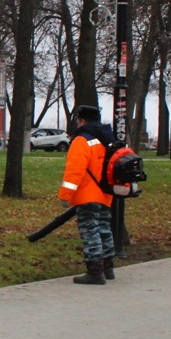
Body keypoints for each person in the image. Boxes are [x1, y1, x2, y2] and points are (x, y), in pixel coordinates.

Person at [57, 104, 116, 285]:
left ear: (81, 120)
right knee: (104, 229)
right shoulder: (107, 139)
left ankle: (95, 271)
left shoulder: (82, 140)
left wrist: (65, 195)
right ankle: (108, 268)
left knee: (90, 231)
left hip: (87, 194)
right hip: (106, 193)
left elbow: (75, 170)